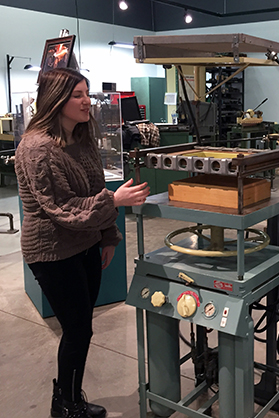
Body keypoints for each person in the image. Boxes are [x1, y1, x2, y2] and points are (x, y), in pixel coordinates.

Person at [15, 68, 150, 418]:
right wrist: (114, 203)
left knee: (81, 328)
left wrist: (107, 236)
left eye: (87, 93)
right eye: (77, 94)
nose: (87, 101)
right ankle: (66, 405)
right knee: (77, 329)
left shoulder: (81, 139)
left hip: (86, 245)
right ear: (55, 99)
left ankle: (69, 398)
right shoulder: (37, 148)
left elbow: (92, 190)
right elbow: (61, 209)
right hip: (52, 252)